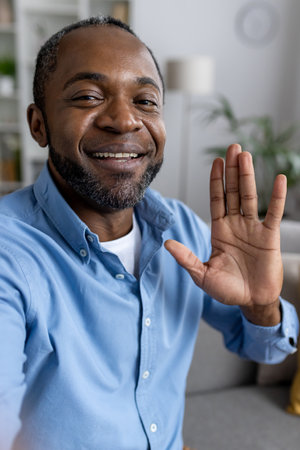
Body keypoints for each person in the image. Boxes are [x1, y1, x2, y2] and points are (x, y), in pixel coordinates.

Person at [0, 16, 298, 450]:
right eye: (88, 95)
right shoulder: (9, 254)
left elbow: (267, 350)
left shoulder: (182, 229)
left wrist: (263, 304)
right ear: (38, 124)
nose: (124, 120)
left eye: (145, 100)